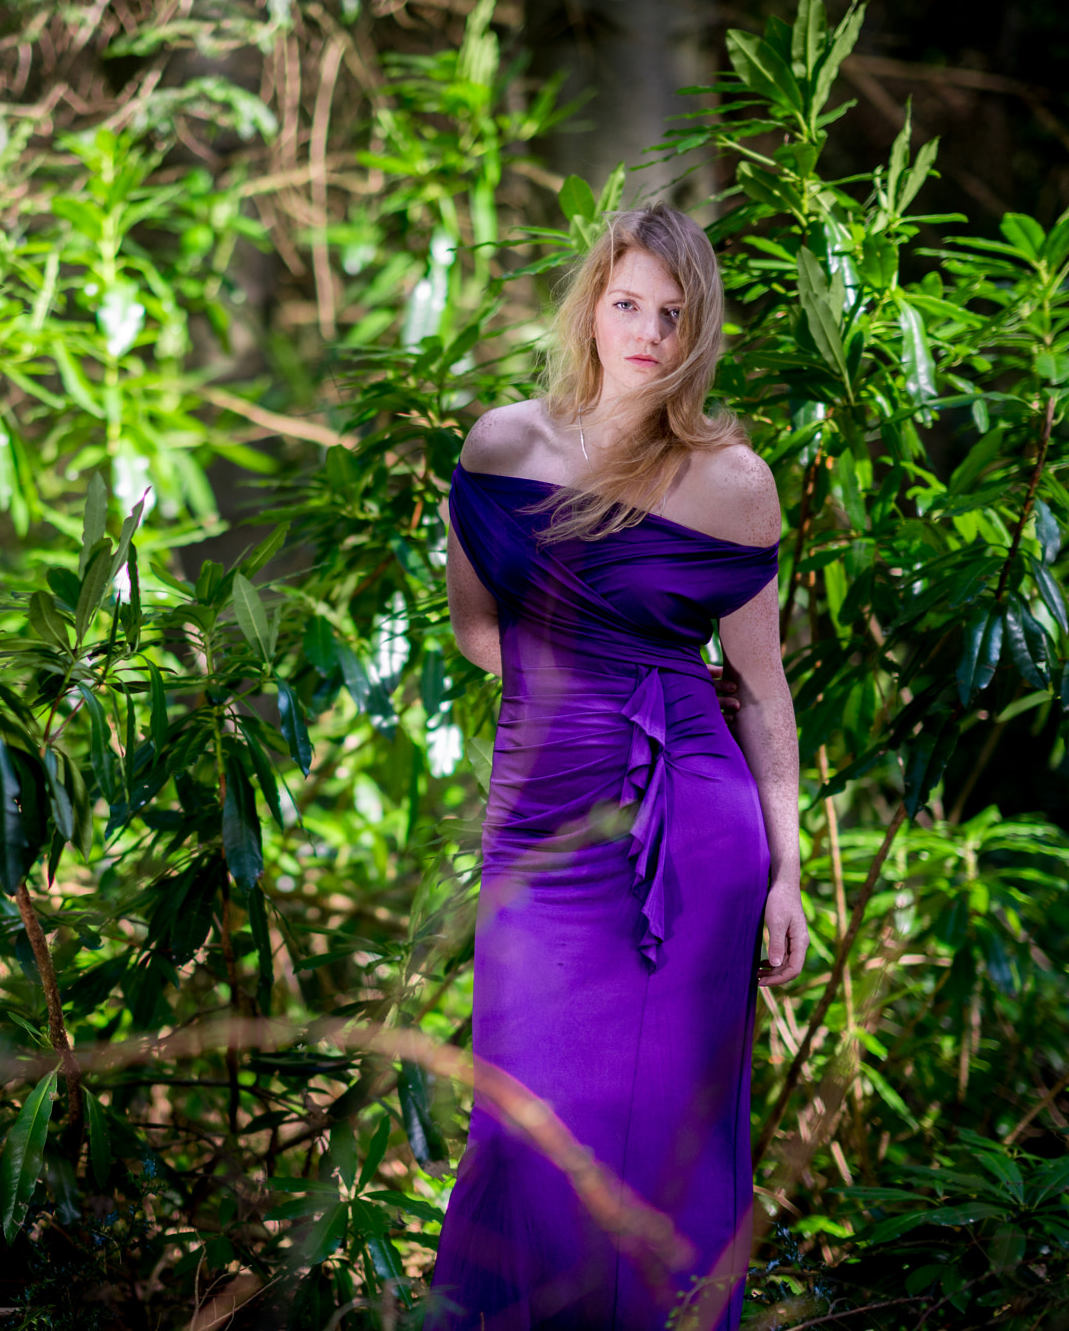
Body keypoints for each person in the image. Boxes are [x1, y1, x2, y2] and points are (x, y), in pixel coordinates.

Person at [427, 202, 804, 1330]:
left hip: (691, 825)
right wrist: (568, 697)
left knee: (666, 1131)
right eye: (627, 302)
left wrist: (786, 874)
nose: (643, 330)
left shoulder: (731, 481)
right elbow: (472, 628)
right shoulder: (500, 444)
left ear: (697, 332)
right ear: (592, 301)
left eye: (669, 314)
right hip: (541, 811)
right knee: (524, 1113)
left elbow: (765, 693)